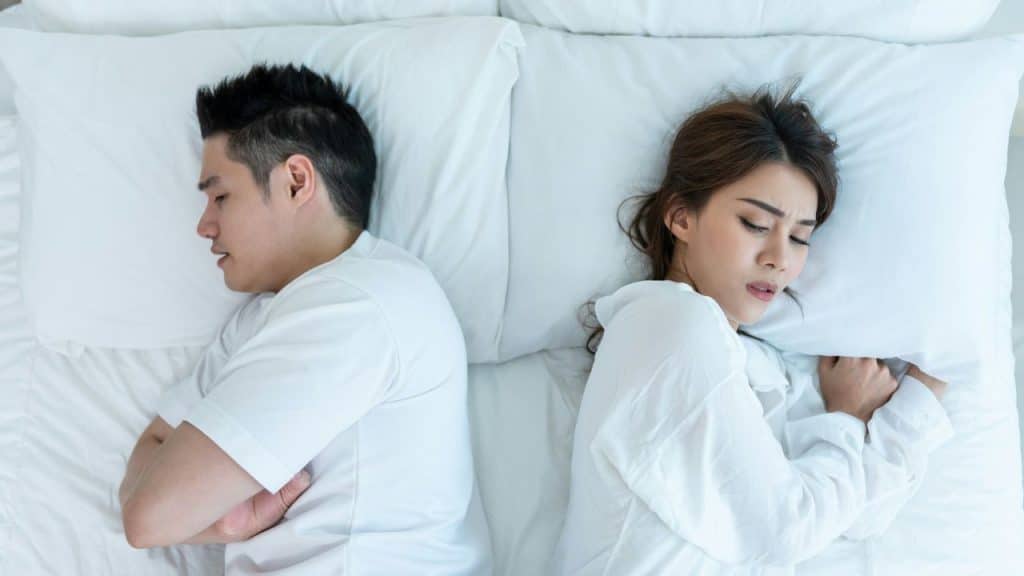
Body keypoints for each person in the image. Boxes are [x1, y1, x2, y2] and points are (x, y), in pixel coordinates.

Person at [554, 86, 953, 575]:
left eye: (800, 237)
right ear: (681, 216)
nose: (780, 259)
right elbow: (785, 531)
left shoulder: (760, 365)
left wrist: (913, 408)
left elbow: (852, 517)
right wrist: (846, 421)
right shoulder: (670, 326)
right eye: (755, 223)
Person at [117, 64, 490, 575]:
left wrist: (201, 520)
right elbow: (148, 466)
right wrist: (226, 526)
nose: (204, 225)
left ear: (296, 180)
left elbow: (149, 515)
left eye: (220, 195)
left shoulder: (358, 303)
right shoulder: (261, 319)